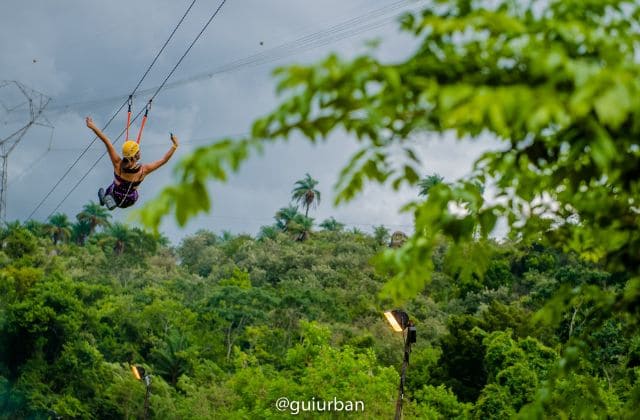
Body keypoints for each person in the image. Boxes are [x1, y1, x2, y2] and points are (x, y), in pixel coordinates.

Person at [85, 116, 178, 210]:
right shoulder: (143, 170)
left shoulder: (117, 164)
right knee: (124, 188)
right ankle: (107, 198)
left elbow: (106, 141)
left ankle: (106, 198)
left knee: (113, 186)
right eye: (139, 150)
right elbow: (164, 160)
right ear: (134, 156)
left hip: (115, 196)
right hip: (130, 200)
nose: (140, 152)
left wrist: (92, 126)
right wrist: (174, 145)